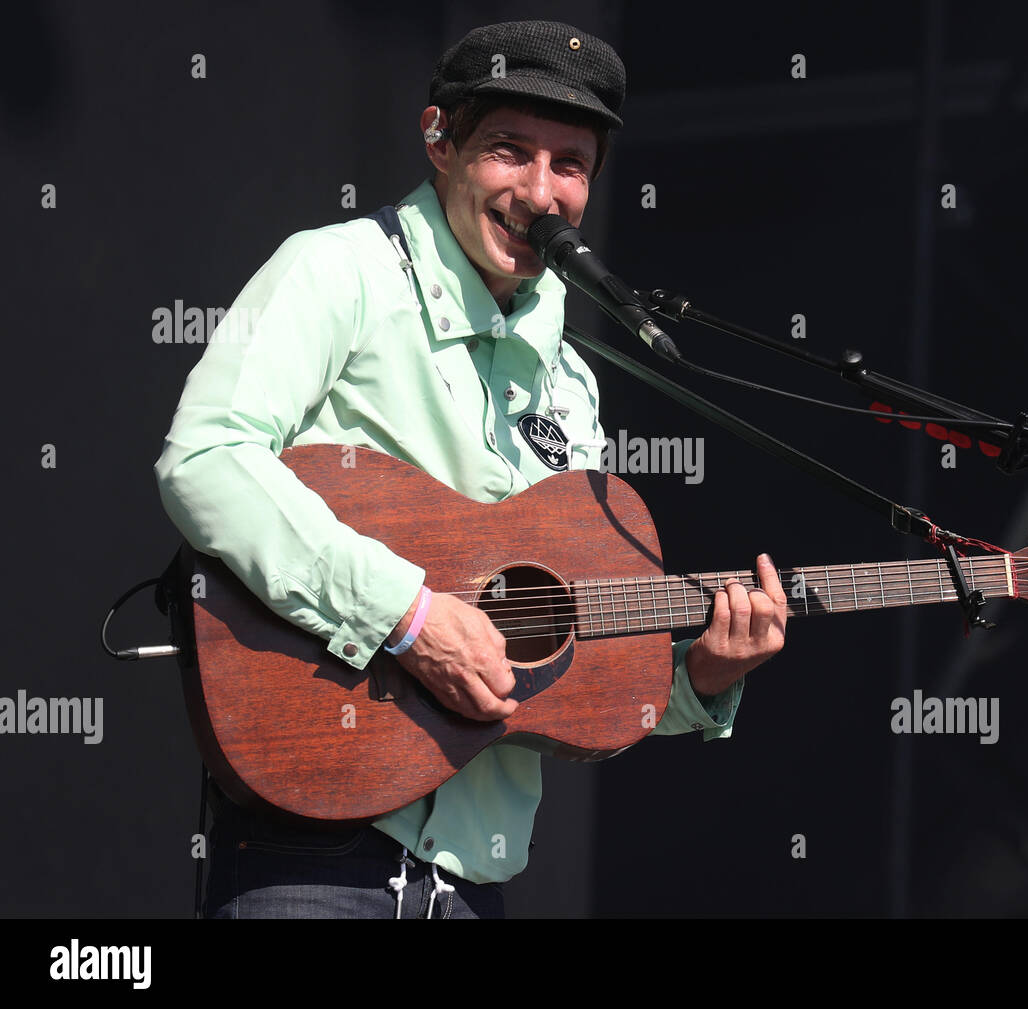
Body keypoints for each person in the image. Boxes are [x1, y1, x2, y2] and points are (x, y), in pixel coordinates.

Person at [154, 20, 786, 919]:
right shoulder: (339, 273)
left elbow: (570, 662)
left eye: (569, 164)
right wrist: (408, 617)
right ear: (439, 142)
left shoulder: (571, 382)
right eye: (509, 151)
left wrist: (701, 680)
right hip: (311, 850)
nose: (540, 191)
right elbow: (206, 457)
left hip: (474, 881)